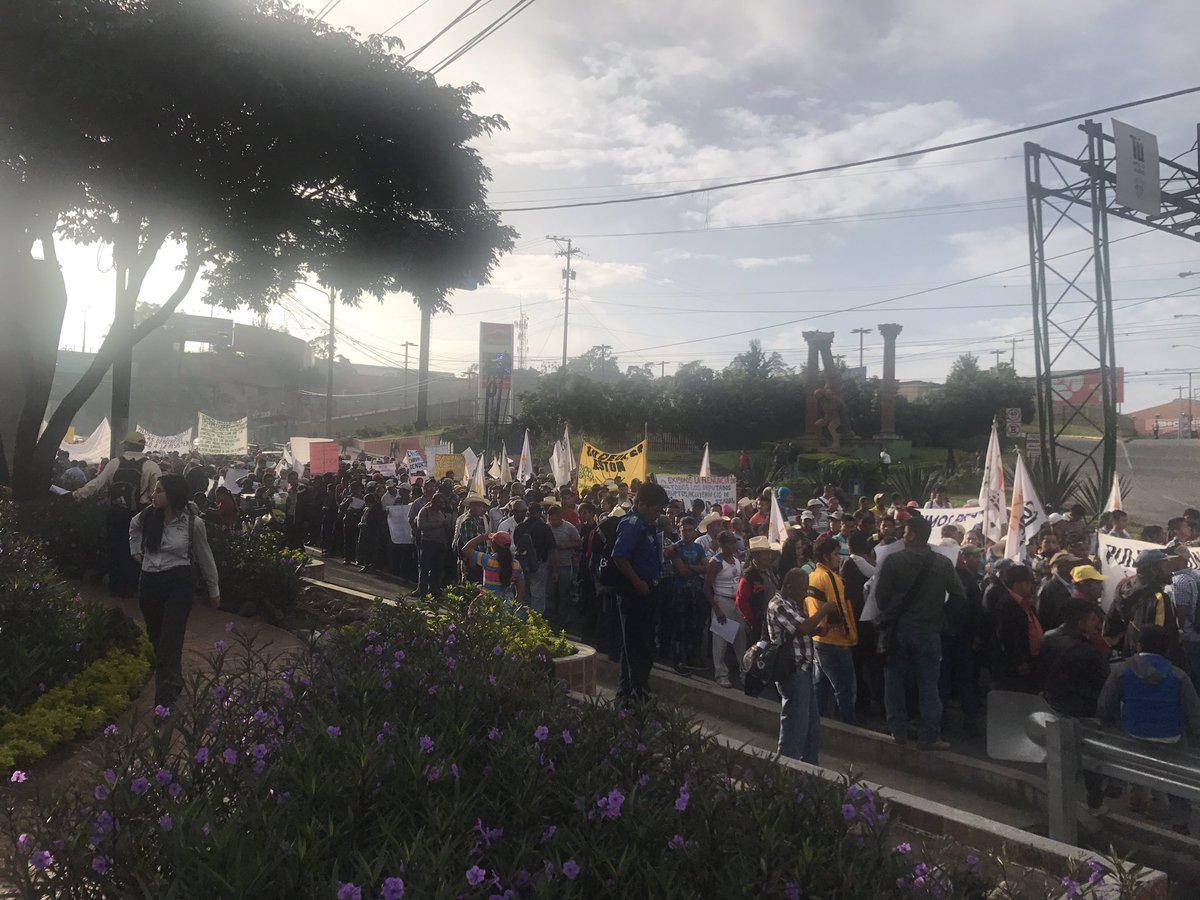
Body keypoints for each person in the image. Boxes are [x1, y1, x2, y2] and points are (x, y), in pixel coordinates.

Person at [874, 514, 966, 749]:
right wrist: (943, 618)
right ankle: (929, 735)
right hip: (929, 632)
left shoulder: (894, 561)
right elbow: (959, 596)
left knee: (894, 681)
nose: (902, 536)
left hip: (899, 632)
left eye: (904, 532)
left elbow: (881, 597)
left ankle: (898, 731)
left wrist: (894, 614)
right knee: (928, 684)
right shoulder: (943, 564)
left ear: (912, 535)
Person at [1098, 625, 1200, 835]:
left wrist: (1110, 724)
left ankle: (1136, 800)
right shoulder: (1178, 675)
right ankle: (1180, 821)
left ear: (1138, 645)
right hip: (1170, 736)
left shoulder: (1122, 670)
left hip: (1133, 732)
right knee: (1177, 776)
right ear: (1167, 650)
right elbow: (1194, 713)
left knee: (1132, 749)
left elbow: (1105, 706)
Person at [129, 474, 219, 708]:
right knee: (156, 637)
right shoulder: (148, 516)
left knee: (170, 638)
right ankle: (174, 678)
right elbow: (134, 526)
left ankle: (165, 696)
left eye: (159, 491)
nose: (154, 495)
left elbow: (204, 554)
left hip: (178, 583)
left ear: (173, 494)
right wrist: (135, 550)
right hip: (149, 582)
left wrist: (213, 588)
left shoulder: (192, 523)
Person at [1039, 597, 1111, 812]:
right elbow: (1103, 681)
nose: (1095, 623)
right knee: (1091, 757)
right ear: (1081, 622)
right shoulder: (1088, 650)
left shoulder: (1048, 638)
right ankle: (1094, 802)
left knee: (1059, 757)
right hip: (1083, 708)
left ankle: (1059, 802)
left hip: (1053, 705)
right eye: (1091, 619)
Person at [74, 431, 163, 598]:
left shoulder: (114, 463)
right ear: (143, 447)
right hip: (139, 515)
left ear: (127, 445)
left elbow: (97, 484)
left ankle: (115, 585)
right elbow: (156, 494)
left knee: (114, 548)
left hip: (115, 514)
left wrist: (78, 494)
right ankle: (132, 585)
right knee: (135, 549)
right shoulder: (152, 467)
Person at [766, 568, 837, 763]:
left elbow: (803, 628)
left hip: (804, 669)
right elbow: (802, 627)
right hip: (792, 670)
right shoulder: (779, 604)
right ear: (789, 588)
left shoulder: (792, 604)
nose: (804, 594)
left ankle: (809, 765)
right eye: (802, 590)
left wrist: (819, 629)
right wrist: (824, 610)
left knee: (811, 723)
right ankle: (787, 766)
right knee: (795, 723)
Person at [610, 482, 669, 704]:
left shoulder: (646, 525)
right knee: (639, 645)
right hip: (635, 592)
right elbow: (620, 556)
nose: (658, 514)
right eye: (655, 509)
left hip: (647, 588)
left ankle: (625, 693)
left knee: (632, 644)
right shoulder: (633, 524)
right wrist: (637, 582)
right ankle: (639, 694)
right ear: (642, 504)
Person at [807, 537, 859, 726]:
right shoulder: (831, 578)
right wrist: (849, 635)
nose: (839, 558)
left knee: (820, 684)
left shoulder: (813, 575)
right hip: (836, 640)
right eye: (836, 554)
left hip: (819, 638)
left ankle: (821, 721)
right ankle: (849, 725)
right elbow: (839, 609)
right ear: (826, 556)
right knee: (845, 687)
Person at [940, 541, 984, 737]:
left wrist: (975, 634)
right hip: (945, 637)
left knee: (960, 681)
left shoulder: (967, 577)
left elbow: (976, 608)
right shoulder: (939, 575)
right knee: (944, 681)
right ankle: (943, 721)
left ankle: (968, 721)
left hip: (960, 638)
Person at [1104, 548, 1178, 661]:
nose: (1170, 570)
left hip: (1130, 657)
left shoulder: (1124, 587)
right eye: (1165, 566)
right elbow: (1161, 637)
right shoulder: (1159, 598)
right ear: (1153, 570)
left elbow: (1110, 628)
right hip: (1153, 663)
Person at [666, 516, 708, 674]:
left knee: (695, 626)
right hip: (680, 592)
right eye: (685, 531)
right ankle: (679, 660)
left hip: (696, 592)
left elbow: (707, 567)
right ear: (679, 530)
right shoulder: (675, 548)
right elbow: (681, 571)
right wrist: (696, 568)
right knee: (680, 627)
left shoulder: (698, 548)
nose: (688, 534)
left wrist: (691, 567)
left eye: (691, 530)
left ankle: (692, 657)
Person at [705, 531, 745, 687]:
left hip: (736, 602)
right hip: (722, 600)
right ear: (721, 544)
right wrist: (716, 608)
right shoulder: (716, 562)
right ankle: (720, 673)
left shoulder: (735, 561)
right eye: (730, 543)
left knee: (740, 639)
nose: (733, 546)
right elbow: (706, 588)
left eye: (734, 542)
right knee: (721, 640)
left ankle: (744, 671)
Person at [735, 535, 781, 645]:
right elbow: (741, 601)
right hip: (759, 622)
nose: (769, 556)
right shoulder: (749, 576)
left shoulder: (772, 570)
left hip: (775, 619)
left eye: (769, 553)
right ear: (755, 556)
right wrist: (752, 621)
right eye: (765, 553)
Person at [461, 532, 525, 604]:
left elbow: (465, 549)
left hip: (489, 604)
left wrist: (482, 537)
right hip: (507, 605)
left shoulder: (487, 560)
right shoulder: (516, 565)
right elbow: (521, 592)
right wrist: (514, 605)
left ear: (493, 546)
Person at [546, 503, 581, 629]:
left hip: (565, 565)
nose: (551, 521)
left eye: (554, 519)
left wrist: (565, 546)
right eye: (550, 519)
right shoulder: (547, 528)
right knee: (550, 593)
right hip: (549, 566)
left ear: (561, 517)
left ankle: (563, 620)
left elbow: (578, 542)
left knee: (564, 593)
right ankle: (550, 619)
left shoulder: (569, 528)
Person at [415, 493, 452, 596]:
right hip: (428, 543)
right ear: (434, 502)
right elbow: (421, 526)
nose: (442, 505)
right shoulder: (425, 511)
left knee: (437, 569)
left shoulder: (441, 513)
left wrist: (447, 524)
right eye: (440, 503)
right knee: (425, 568)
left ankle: (434, 591)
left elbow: (446, 529)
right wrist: (439, 524)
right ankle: (423, 591)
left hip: (440, 544)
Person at [1036, 552, 1083, 632]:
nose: (1076, 567)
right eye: (1071, 564)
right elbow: (1045, 619)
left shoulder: (1073, 585)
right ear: (1061, 567)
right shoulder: (1049, 589)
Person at [452, 493, 491, 584]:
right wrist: (472, 560)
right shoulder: (468, 521)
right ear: (472, 506)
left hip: (480, 558)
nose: (481, 508)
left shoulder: (479, 519)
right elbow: (469, 544)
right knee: (473, 584)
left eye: (482, 506)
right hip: (474, 560)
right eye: (479, 506)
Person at [355, 492, 390, 573]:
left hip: (372, 532)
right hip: (364, 530)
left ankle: (372, 566)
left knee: (372, 549)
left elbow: (377, 521)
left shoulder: (376, 510)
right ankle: (366, 564)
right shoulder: (366, 509)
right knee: (365, 549)